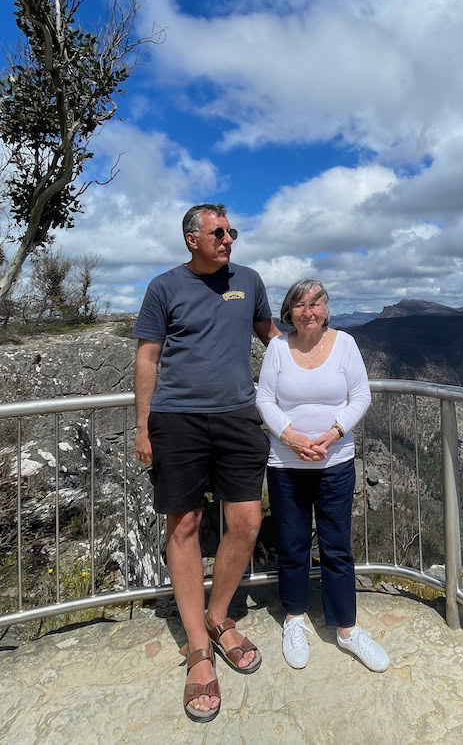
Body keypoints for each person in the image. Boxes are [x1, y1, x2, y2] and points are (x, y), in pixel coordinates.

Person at [133, 203, 280, 723]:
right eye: (219, 232)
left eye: (232, 231)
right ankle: (198, 648)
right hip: (178, 420)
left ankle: (218, 617)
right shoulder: (164, 287)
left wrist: (321, 361)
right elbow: (148, 356)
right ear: (192, 239)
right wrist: (143, 424)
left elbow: (271, 336)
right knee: (186, 524)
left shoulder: (250, 280)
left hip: (239, 416)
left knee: (246, 520)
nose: (228, 239)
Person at [255, 278, 390, 673]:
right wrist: (292, 437)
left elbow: (361, 395)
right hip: (286, 463)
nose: (308, 311)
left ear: (326, 309)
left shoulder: (345, 344)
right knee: (293, 545)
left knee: (336, 546)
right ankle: (294, 620)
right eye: (299, 305)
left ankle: (347, 629)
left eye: (315, 303)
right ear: (289, 312)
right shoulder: (278, 349)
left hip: (335, 461)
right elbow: (264, 398)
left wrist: (331, 434)